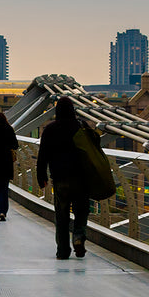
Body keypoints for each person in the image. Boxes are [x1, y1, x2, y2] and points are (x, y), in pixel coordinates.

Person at [36, 97, 90, 258]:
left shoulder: (50, 129)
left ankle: (63, 250)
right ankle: (79, 237)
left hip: (60, 178)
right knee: (81, 211)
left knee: (61, 215)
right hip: (81, 178)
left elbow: (42, 156)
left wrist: (41, 177)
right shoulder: (81, 127)